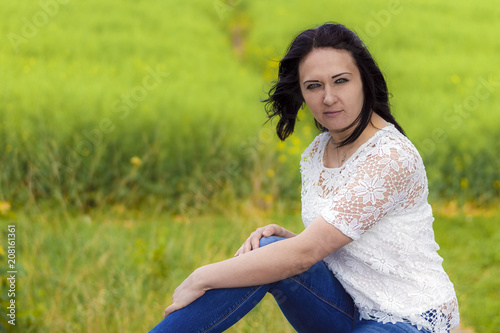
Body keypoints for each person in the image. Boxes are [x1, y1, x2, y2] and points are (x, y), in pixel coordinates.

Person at [149, 23, 459, 333]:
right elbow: (325, 245)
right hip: (349, 308)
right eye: (314, 86)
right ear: (302, 92)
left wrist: (201, 276)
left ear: (365, 81)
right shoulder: (317, 152)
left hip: (410, 318)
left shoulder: (390, 158)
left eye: (341, 81)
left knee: (278, 256)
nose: (328, 98)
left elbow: (305, 255)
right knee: (268, 247)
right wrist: (293, 243)